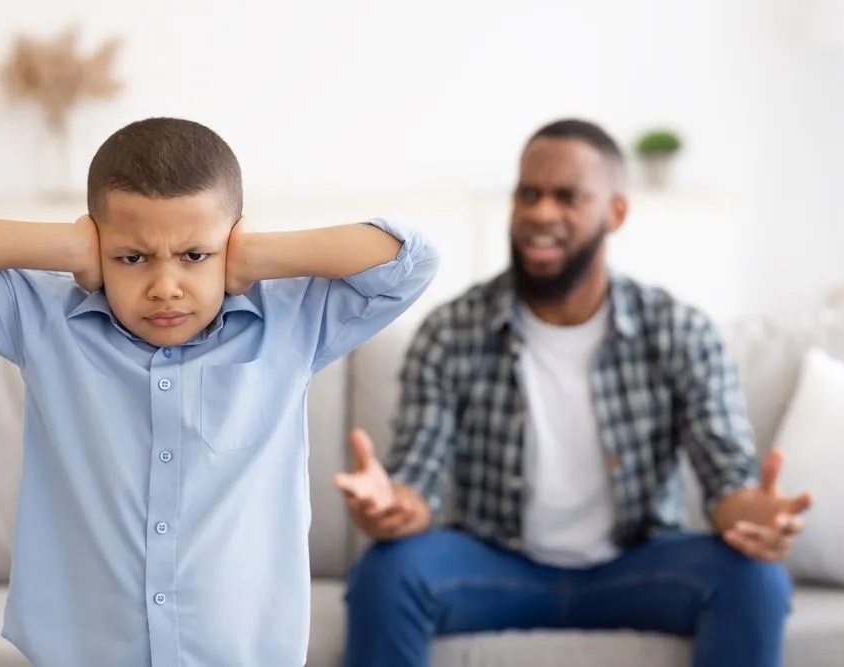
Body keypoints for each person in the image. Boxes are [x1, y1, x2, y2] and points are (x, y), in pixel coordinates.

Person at [0, 117, 439, 667]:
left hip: (240, 653)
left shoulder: (293, 324)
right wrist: (68, 247)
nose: (164, 287)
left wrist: (256, 256)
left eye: (195, 256)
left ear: (231, 242)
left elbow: (411, 260)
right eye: (132, 257)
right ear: (98, 249)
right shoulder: (42, 322)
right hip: (86, 652)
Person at [334, 118, 814, 667]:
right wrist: (393, 507)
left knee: (756, 579)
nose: (541, 213)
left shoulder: (680, 332)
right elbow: (416, 478)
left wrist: (758, 516)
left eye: (567, 197)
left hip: (637, 567)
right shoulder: (452, 330)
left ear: (616, 212)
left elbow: (728, 483)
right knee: (386, 573)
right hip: (495, 566)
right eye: (529, 194)